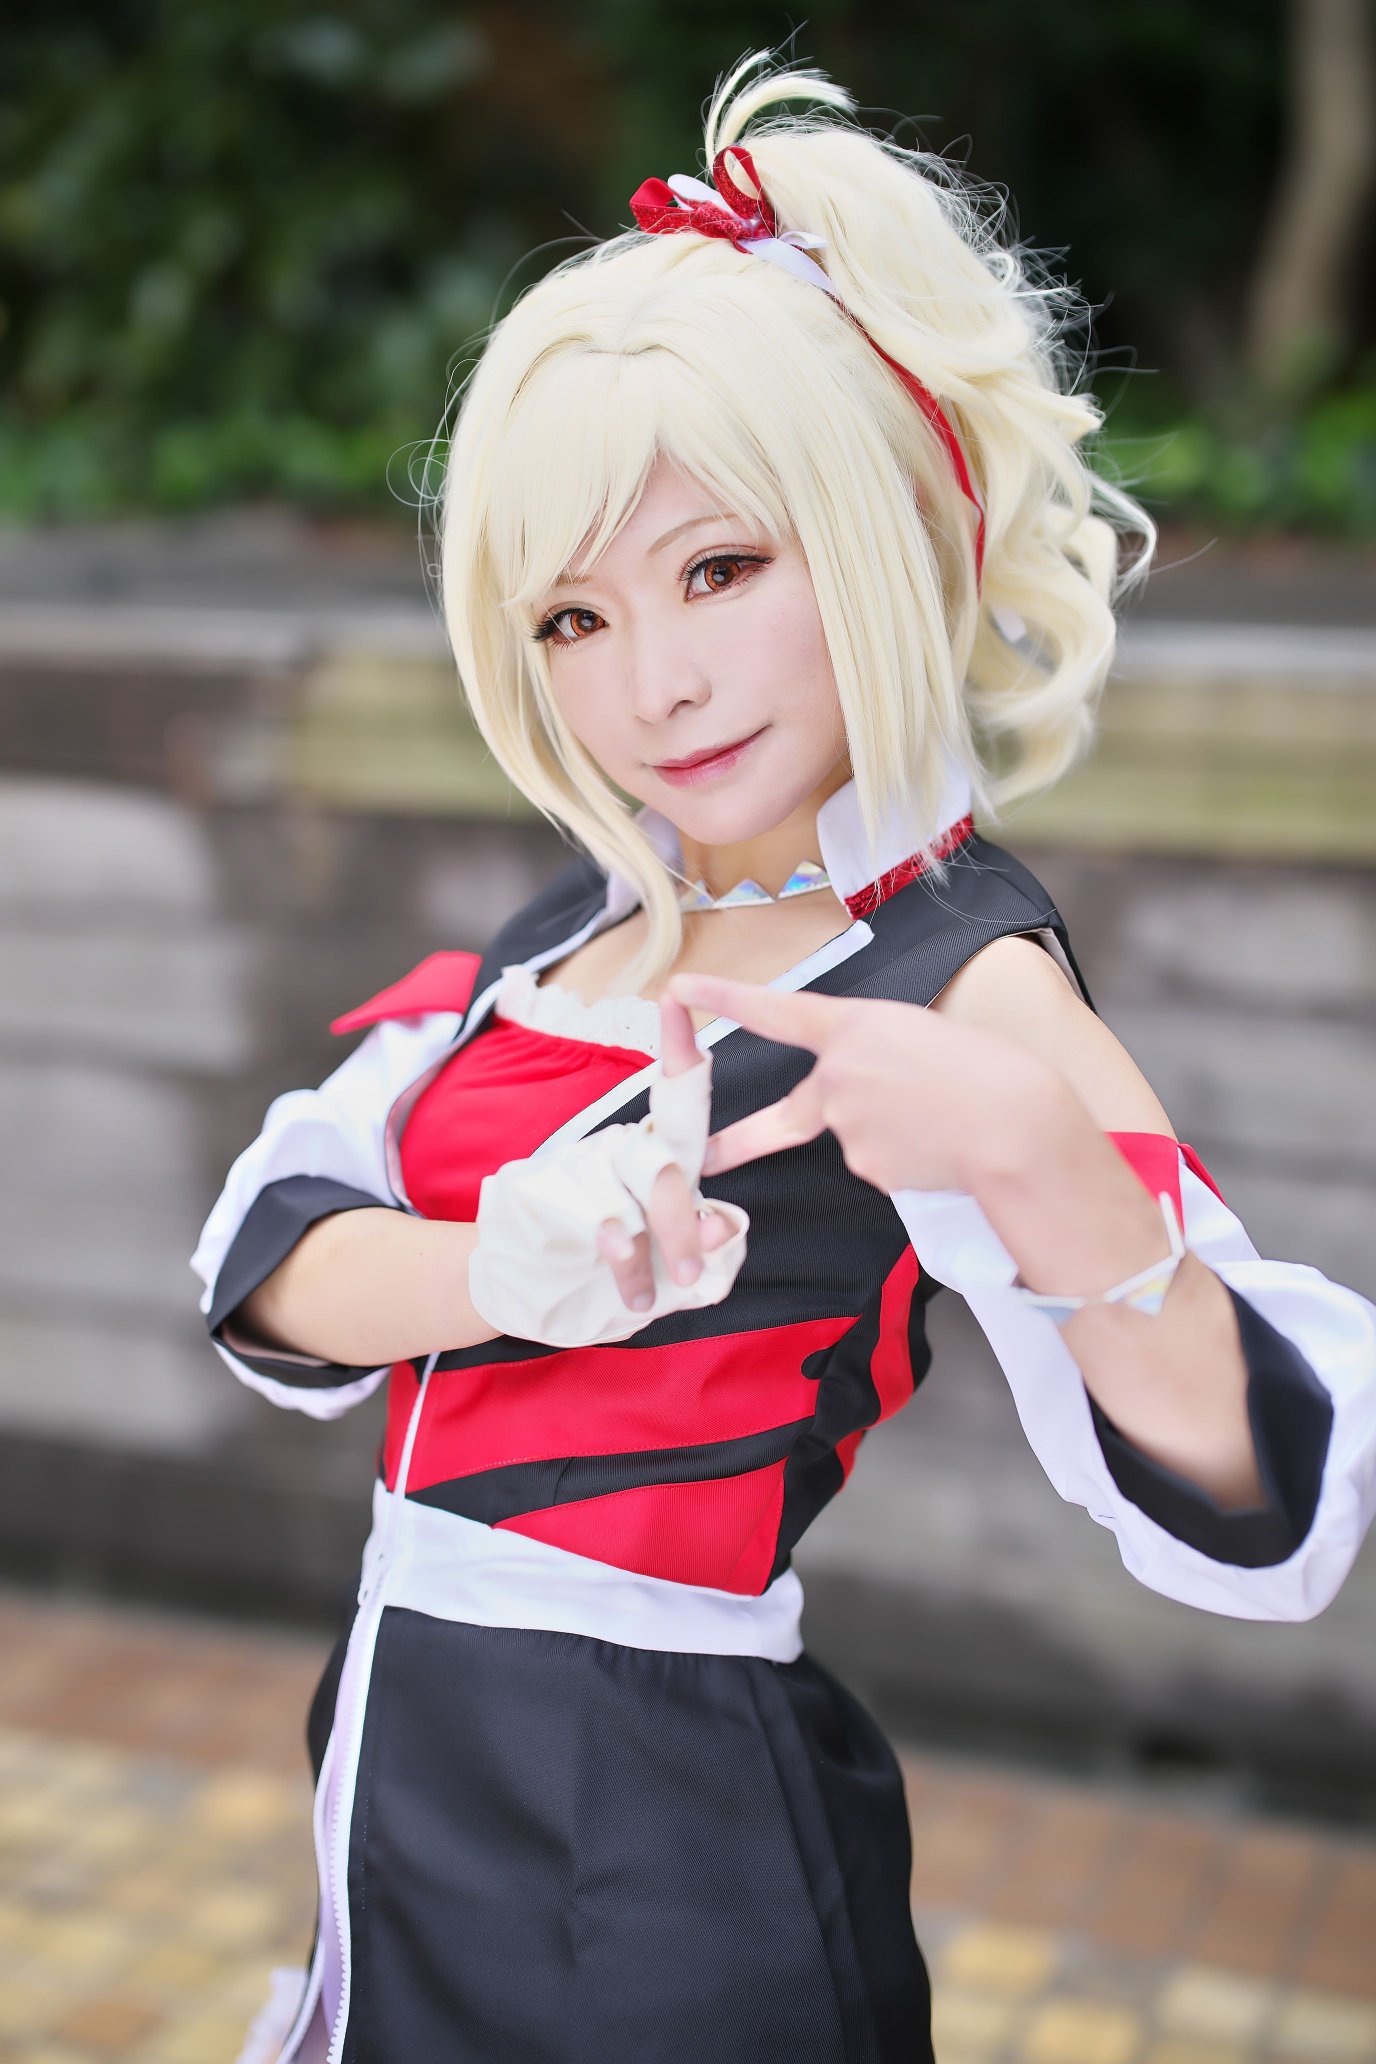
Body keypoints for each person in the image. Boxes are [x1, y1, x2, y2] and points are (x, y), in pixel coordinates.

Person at [194, 50, 1376, 2064]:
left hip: (667, 1849)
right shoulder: (571, 928)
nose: (651, 687)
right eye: (572, 620)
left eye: (720, 570)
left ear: (877, 534)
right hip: (407, 1794)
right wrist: (500, 1270)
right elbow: (264, 1256)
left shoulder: (955, 980)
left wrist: (1048, 1169)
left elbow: (1272, 1508)